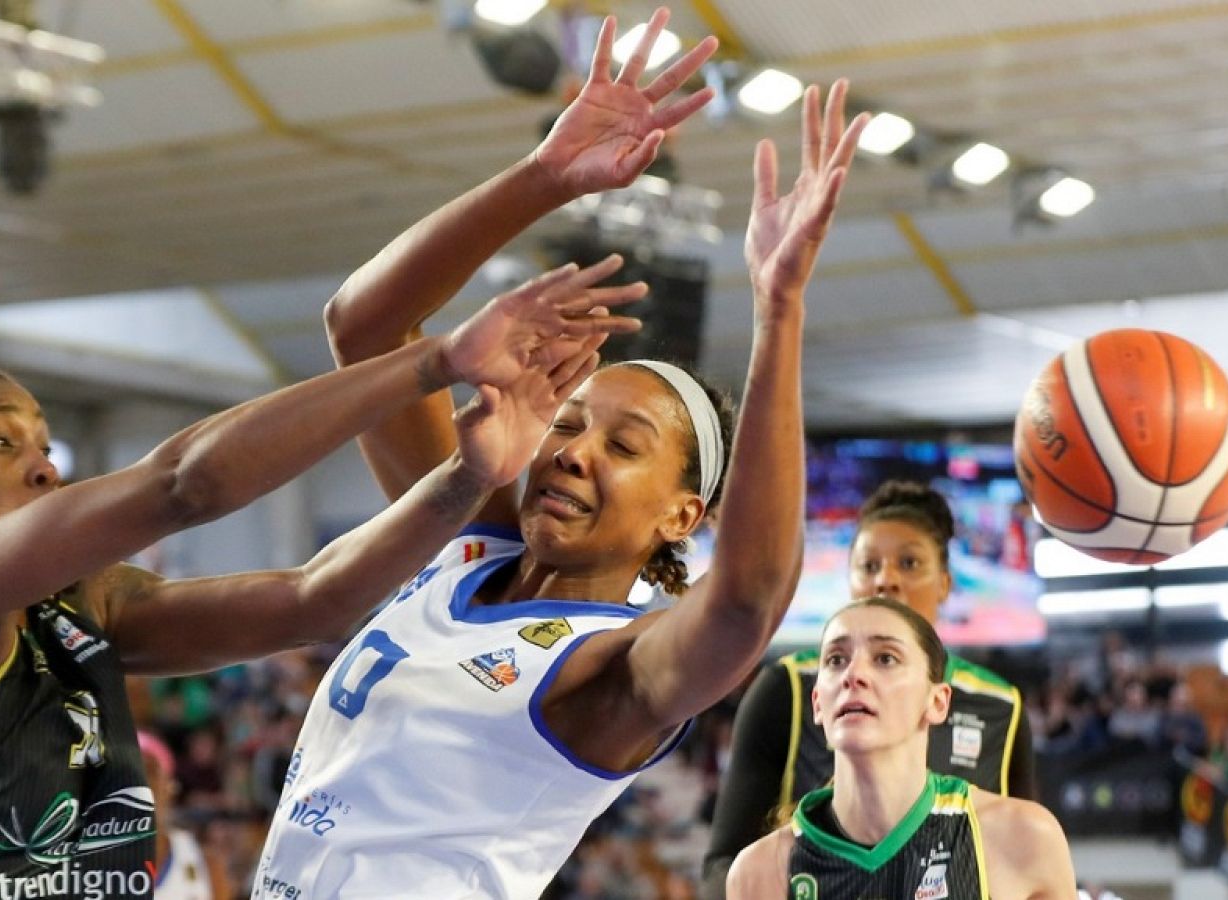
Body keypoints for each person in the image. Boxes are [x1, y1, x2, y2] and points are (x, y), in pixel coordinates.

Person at [0, 261, 633, 899]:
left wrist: (467, 477)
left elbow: (313, 600)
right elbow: (183, 485)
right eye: (0, 442)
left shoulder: (80, 604)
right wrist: (434, 362)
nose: (42, 467)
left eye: (43, 443)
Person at [254, 9, 870, 897]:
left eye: (623, 445)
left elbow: (746, 602)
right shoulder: (469, 536)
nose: (576, 453)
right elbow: (363, 326)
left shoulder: (612, 667)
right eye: (570, 424)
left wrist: (779, 311)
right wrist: (543, 177)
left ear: (682, 515)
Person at [702, 480, 1035, 897]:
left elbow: (1023, 862)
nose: (886, 580)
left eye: (909, 563)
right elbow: (725, 862)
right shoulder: (786, 688)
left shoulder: (999, 705)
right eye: (869, 565)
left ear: (945, 583)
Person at [724, 596, 1074, 899]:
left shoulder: (1024, 838)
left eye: (885, 658)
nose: (853, 674)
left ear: (937, 702)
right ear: (817, 703)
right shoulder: (758, 872)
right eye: (836, 659)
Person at [137, 730, 225, 899]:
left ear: (171, 787)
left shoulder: (206, 864)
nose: (137, 785)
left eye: (149, 771)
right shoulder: (88, 869)